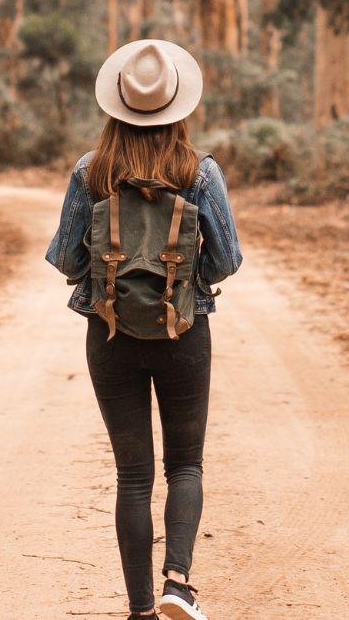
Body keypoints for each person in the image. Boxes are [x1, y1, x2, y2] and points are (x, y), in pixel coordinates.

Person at [46, 38, 243, 620]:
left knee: (133, 475)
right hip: (185, 333)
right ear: (179, 106)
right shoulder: (199, 172)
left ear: (116, 106)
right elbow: (226, 260)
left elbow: (66, 259)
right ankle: (178, 585)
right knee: (185, 464)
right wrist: (184, 280)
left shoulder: (91, 171)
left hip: (109, 337)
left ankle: (139, 611)